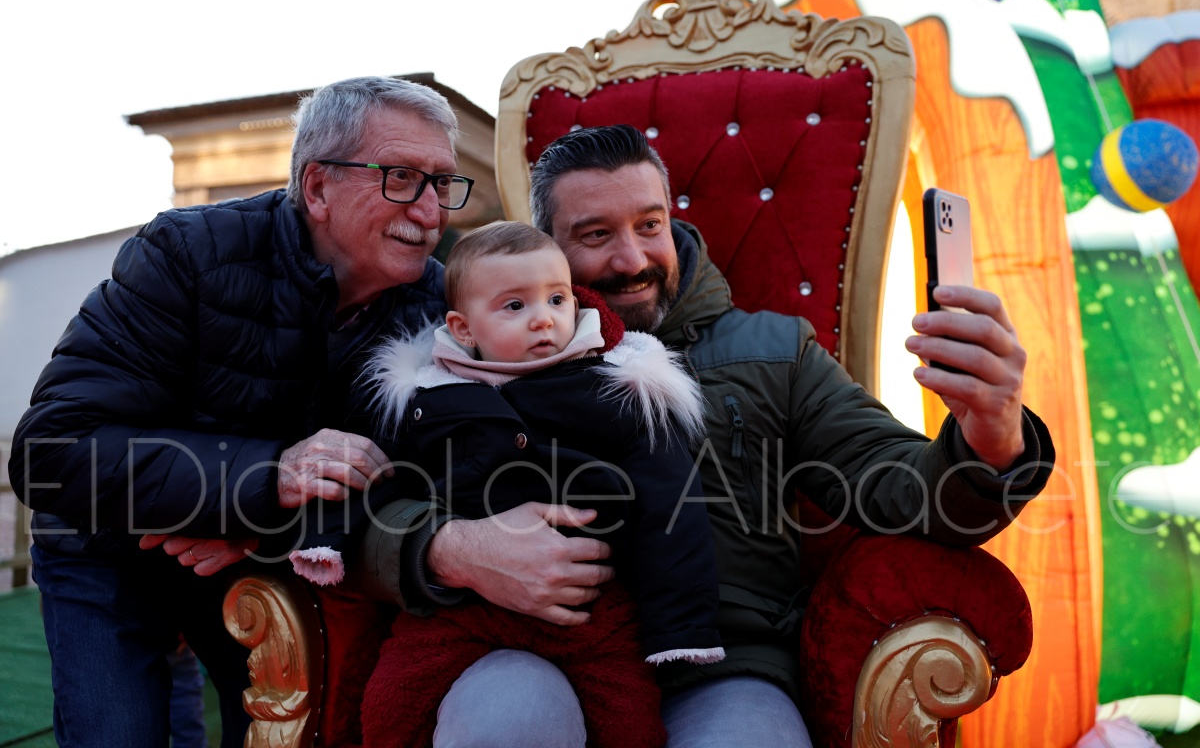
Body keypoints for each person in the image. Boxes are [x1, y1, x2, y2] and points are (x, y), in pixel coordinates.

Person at [354, 124, 1056, 747]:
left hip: (724, 666)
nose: (631, 259)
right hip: (520, 645)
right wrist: (451, 548)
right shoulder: (459, 365)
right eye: (596, 236)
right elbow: (369, 507)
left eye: (649, 225)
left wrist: (991, 437)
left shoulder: (774, 352)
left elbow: (896, 485)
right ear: (548, 249)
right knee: (508, 723)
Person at [7, 76, 470, 748]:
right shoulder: (187, 252)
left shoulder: (436, 305)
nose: (430, 210)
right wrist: (268, 479)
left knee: (288, 726)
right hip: (106, 544)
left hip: (253, 551)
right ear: (318, 188)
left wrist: (258, 526)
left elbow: (413, 472)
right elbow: (51, 451)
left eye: (443, 183)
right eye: (401, 178)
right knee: (119, 731)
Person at [292, 219, 722, 747]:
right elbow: (371, 472)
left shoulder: (615, 389)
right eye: (515, 306)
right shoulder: (428, 398)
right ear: (464, 328)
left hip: (592, 611)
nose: (543, 318)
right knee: (390, 705)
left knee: (630, 725)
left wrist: (682, 630)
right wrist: (324, 537)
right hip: (464, 610)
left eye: (557, 299)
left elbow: (671, 503)